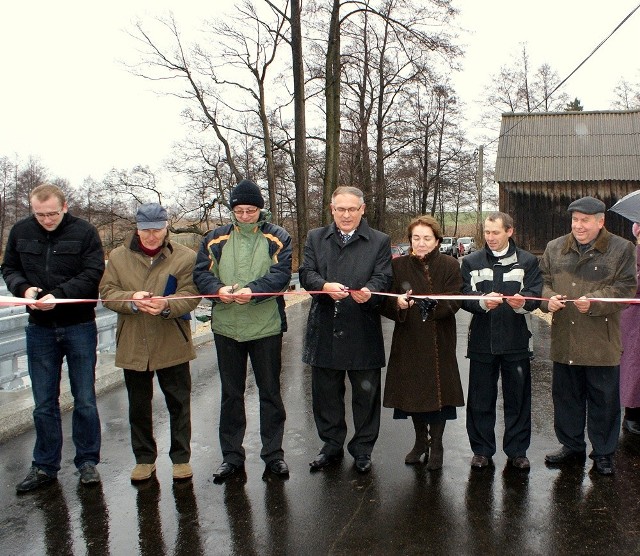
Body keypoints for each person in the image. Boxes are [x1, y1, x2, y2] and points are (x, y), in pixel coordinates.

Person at [1, 183, 105, 493]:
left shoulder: (84, 232)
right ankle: (44, 465)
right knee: (43, 402)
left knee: (84, 398)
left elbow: (92, 273)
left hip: (79, 326)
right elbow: (9, 268)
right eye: (39, 214)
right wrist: (25, 290)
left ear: (64, 207)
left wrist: (57, 296)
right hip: (39, 329)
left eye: (52, 214)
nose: (46, 219)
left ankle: (87, 462)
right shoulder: (21, 231)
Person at [193, 179, 292, 480]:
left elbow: (281, 275)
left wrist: (253, 290)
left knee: (270, 393)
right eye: (239, 211)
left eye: (250, 210)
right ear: (232, 210)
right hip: (227, 327)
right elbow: (201, 273)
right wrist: (217, 289)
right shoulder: (215, 239)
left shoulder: (277, 237)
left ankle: (273, 454)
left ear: (260, 210)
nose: (245, 216)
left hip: (265, 326)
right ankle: (232, 456)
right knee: (231, 395)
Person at [100, 203, 200, 483]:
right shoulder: (118, 258)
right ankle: (144, 459)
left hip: (172, 340)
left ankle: (181, 458)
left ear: (166, 227)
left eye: (157, 230)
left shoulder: (184, 257)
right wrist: (131, 299)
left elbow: (192, 293)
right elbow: (107, 293)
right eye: (145, 231)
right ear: (137, 229)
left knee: (179, 403)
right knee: (138, 405)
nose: (151, 236)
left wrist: (167, 305)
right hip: (134, 342)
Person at [299, 186, 392, 474]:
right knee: (326, 394)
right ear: (332, 209)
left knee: (366, 396)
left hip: (362, 327)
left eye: (352, 209)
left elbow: (384, 276)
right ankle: (331, 445)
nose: (347, 214)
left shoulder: (379, 241)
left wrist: (371, 291)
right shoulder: (316, 237)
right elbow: (306, 273)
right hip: (325, 327)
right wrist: (323, 286)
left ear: (362, 209)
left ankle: (363, 449)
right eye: (341, 209)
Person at [541, 196, 637, 475]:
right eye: (575, 220)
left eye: (585, 220)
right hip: (565, 340)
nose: (578, 226)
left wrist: (594, 301)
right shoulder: (554, 248)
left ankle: (604, 453)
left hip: (601, 342)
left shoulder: (621, 249)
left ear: (600, 221)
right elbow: (542, 283)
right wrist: (549, 300)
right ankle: (571, 447)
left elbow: (625, 288)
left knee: (603, 402)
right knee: (566, 398)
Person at [380, 215, 464, 470]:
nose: (421, 243)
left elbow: (456, 299)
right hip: (409, 338)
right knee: (414, 393)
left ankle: (436, 445)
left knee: (440, 393)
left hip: (440, 337)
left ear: (437, 240)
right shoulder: (399, 266)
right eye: (416, 238)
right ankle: (419, 442)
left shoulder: (450, 265)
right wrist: (398, 304)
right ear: (410, 240)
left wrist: (433, 307)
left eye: (427, 238)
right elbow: (385, 300)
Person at [461, 212, 542, 471]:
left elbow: (534, 294)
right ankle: (482, 450)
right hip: (482, 343)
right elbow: (463, 296)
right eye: (487, 232)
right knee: (480, 400)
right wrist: (482, 302)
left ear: (510, 231)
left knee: (517, 400)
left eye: (496, 232)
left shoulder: (527, 261)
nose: (490, 237)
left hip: (516, 341)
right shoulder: (471, 261)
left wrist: (523, 303)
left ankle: (517, 451)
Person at [620, 222, 640, 436]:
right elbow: (629, 284)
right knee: (634, 367)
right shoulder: (632, 254)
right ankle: (632, 414)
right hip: (635, 317)